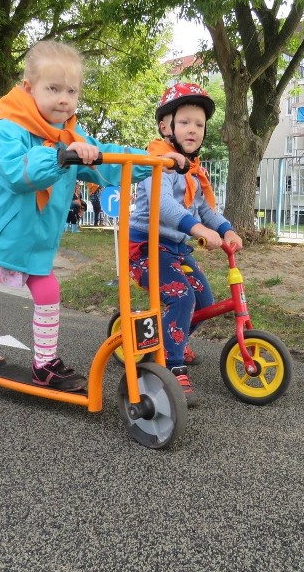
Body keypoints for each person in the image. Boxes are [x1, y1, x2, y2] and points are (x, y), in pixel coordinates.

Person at [0, 40, 186, 424]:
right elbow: (16, 172)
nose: (63, 99)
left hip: (33, 245)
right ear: (29, 88)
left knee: (48, 291)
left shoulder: (71, 133)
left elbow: (106, 163)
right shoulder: (9, 127)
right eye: (53, 89)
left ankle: (45, 365)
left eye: (71, 91)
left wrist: (152, 160)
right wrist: (59, 154)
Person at [128, 83, 243, 406]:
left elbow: (206, 210)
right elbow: (164, 205)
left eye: (199, 124)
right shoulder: (157, 163)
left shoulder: (193, 172)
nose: (193, 129)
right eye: (184, 122)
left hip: (176, 251)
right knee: (182, 297)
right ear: (166, 127)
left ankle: (170, 338)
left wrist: (226, 230)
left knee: (203, 301)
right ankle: (169, 361)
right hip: (147, 250)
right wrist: (196, 230)